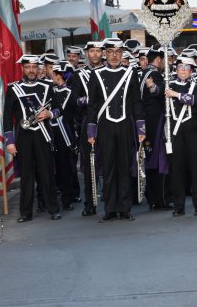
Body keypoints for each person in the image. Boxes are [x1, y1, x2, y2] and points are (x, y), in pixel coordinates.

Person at [86, 39, 145, 222]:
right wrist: (91, 131)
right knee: (109, 167)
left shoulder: (130, 73)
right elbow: (92, 106)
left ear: (122, 54)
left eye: (117, 52)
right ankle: (110, 209)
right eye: (110, 51)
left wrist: (140, 128)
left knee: (124, 167)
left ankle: (125, 208)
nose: (114, 55)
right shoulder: (96, 74)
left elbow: (136, 102)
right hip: (105, 127)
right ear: (105, 53)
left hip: (125, 126)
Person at [4, 55, 62, 222]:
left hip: (43, 135)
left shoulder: (47, 86)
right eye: (28, 67)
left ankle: (53, 209)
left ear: (38, 69)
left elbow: (59, 109)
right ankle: (25, 213)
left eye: (34, 67)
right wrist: (10, 141)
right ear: (22, 68)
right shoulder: (14, 88)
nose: (31, 70)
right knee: (27, 176)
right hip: (23, 137)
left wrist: (49, 113)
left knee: (47, 173)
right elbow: (7, 117)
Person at [165, 57, 197, 216]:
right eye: (180, 67)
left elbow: (196, 101)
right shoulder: (168, 84)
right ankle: (179, 206)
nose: (183, 70)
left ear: (192, 70)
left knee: (196, 168)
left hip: (194, 132)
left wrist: (175, 94)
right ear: (175, 69)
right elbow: (154, 95)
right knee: (176, 170)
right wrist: (153, 86)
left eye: (186, 67)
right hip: (175, 133)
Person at [70, 40, 104, 216]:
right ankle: (90, 203)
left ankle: (113, 200)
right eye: (92, 51)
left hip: (109, 120)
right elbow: (75, 100)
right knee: (90, 164)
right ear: (87, 53)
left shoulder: (111, 72)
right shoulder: (78, 75)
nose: (95, 54)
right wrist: (93, 99)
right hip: (87, 122)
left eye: (99, 51)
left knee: (112, 161)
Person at [140, 46, 171, 210]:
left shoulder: (142, 73)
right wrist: (155, 88)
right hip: (157, 124)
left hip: (145, 125)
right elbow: (158, 92)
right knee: (161, 162)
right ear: (159, 59)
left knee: (150, 161)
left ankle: (152, 199)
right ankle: (162, 200)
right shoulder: (155, 74)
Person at [50, 61, 78, 211]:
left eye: (53, 74)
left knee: (65, 166)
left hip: (64, 132)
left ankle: (68, 198)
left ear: (58, 76)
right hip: (51, 132)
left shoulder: (68, 91)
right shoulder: (51, 89)